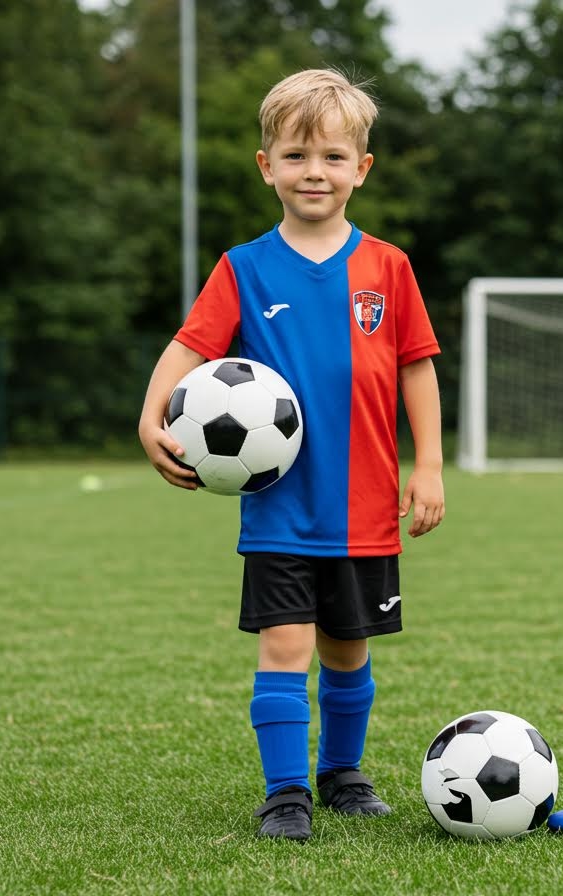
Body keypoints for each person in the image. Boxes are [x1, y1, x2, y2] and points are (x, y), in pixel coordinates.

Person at [137, 68, 444, 842]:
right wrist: (151, 419)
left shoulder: (389, 267)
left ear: (362, 170)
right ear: (266, 164)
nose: (316, 172)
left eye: (334, 157)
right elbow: (187, 348)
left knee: (348, 649)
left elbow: (416, 366)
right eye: (299, 155)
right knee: (287, 645)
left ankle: (344, 774)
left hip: (366, 503)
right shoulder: (244, 267)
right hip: (279, 508)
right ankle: (286, 793)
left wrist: (431, 465)